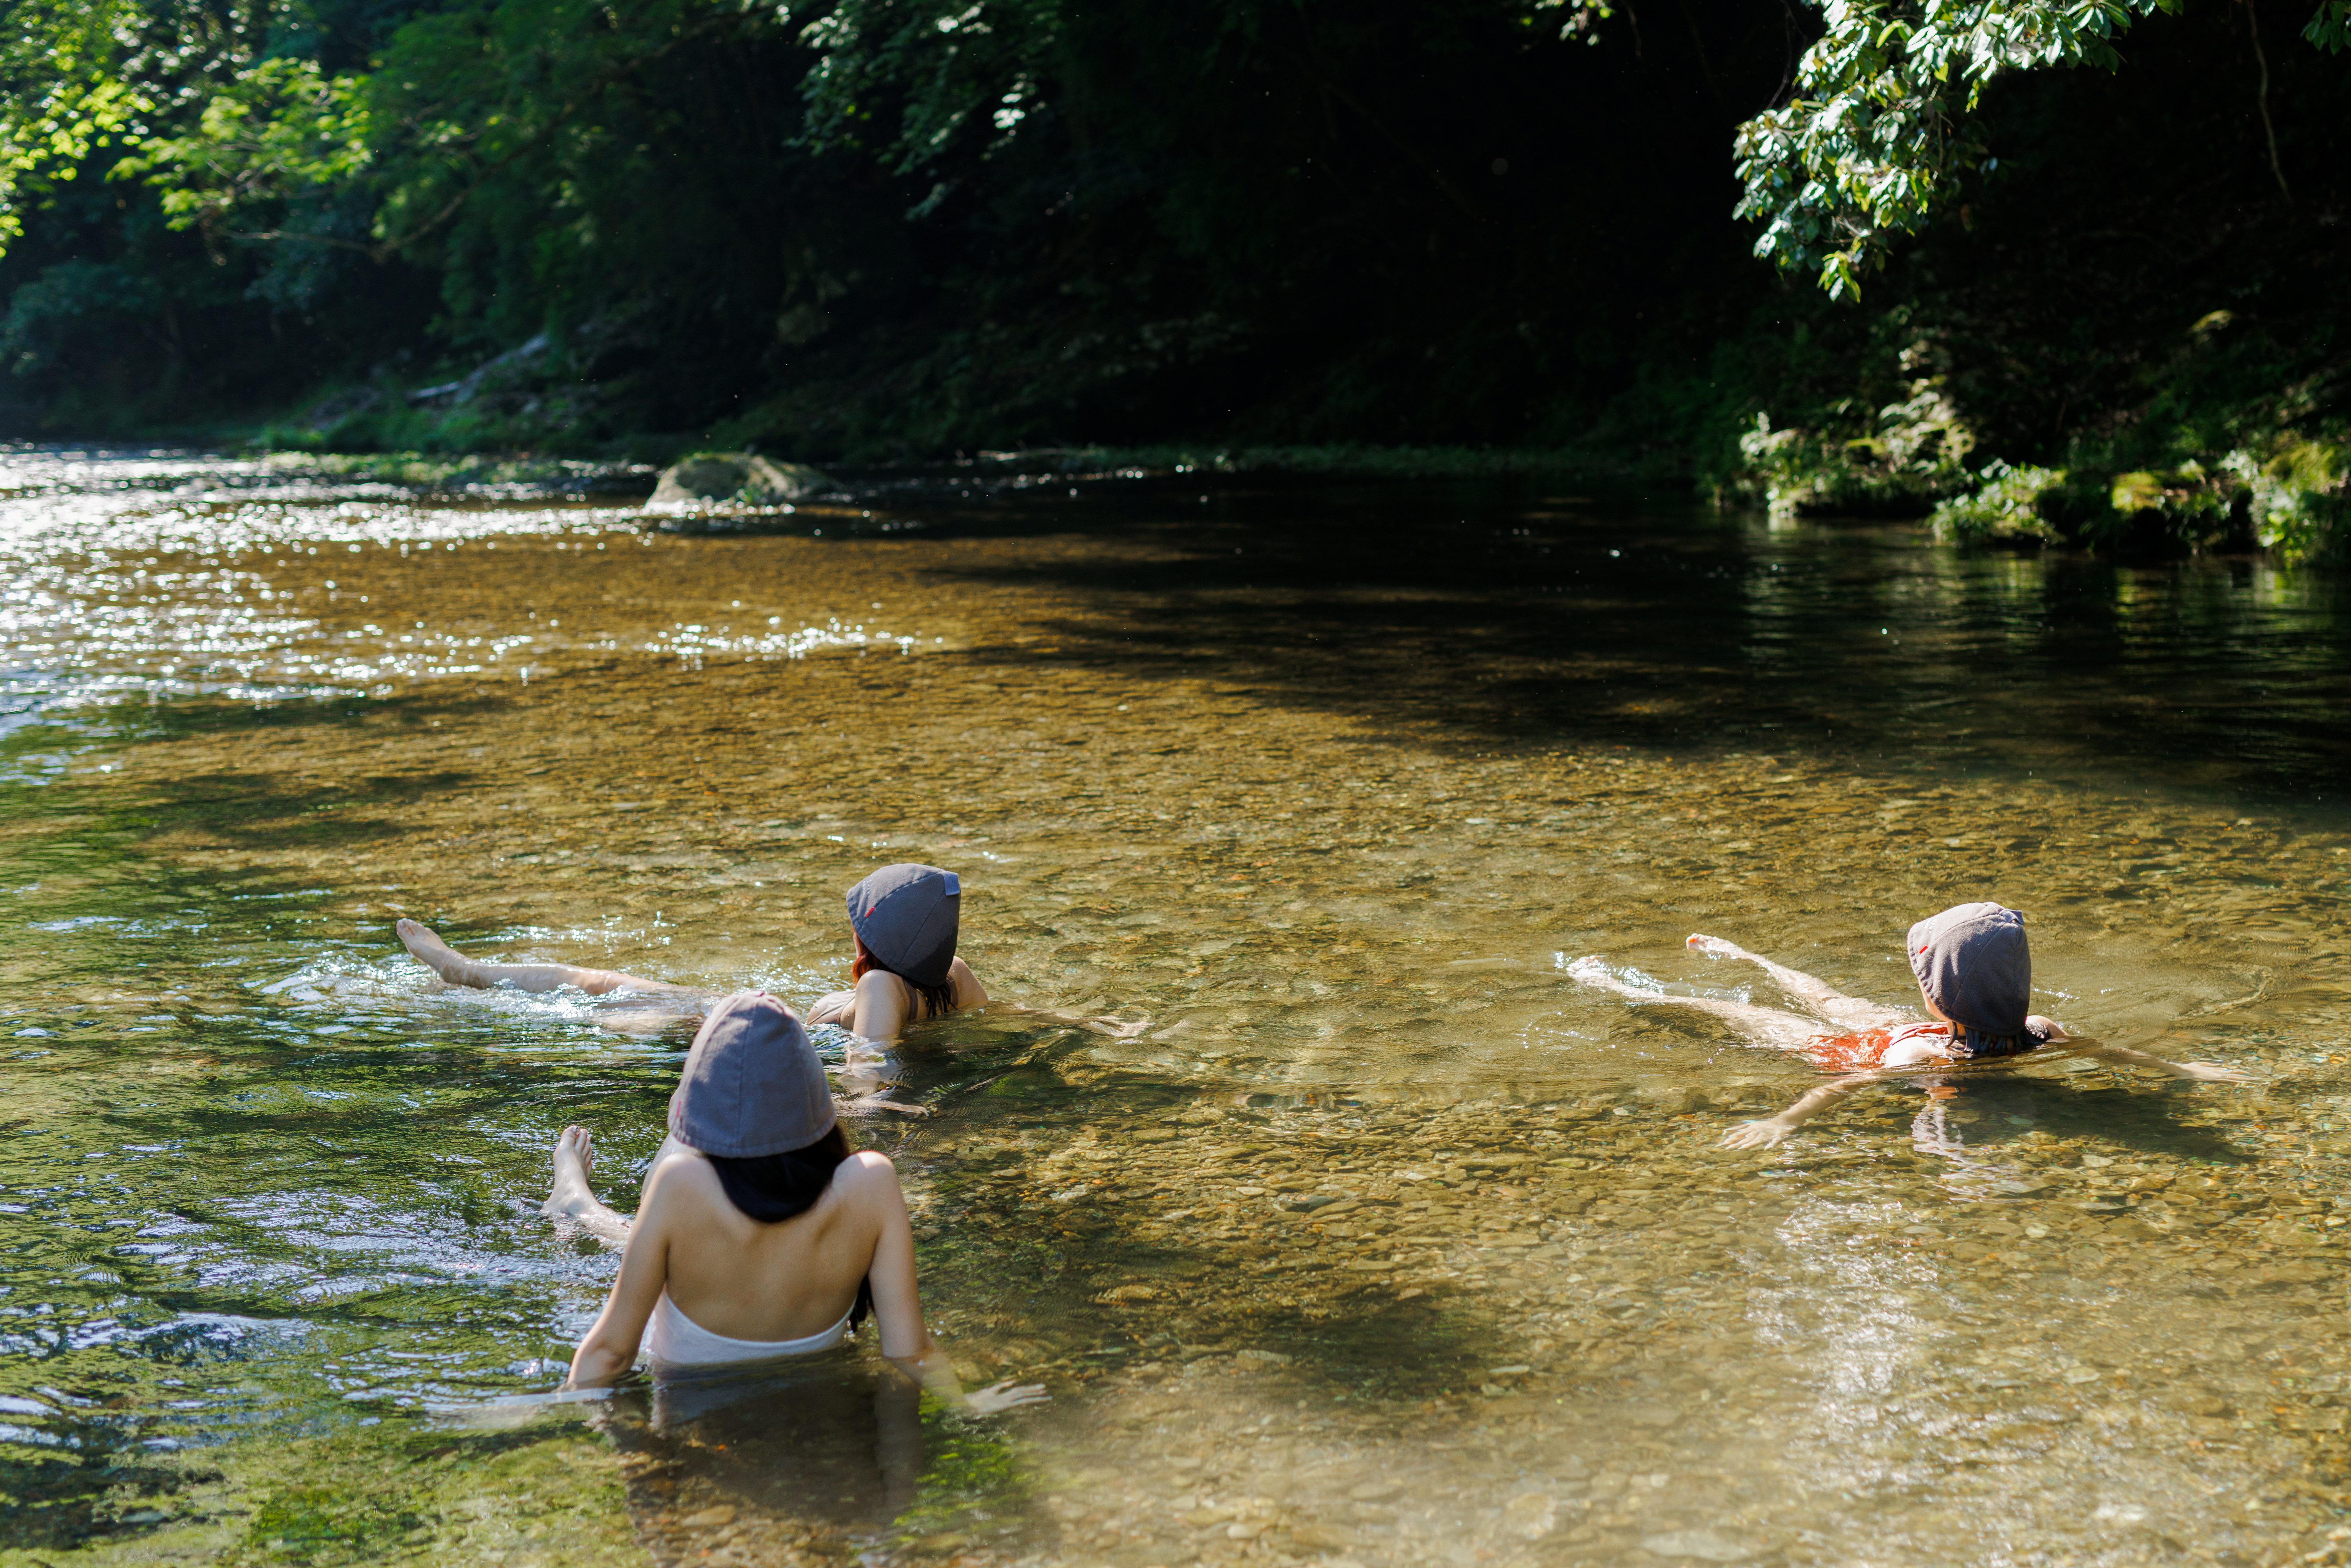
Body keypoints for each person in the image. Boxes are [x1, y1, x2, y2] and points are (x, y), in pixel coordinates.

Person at [546, 989, 1045, 1414]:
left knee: (634, 1220)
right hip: (811, 1392)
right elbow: (908, 1351)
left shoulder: (681, 1184)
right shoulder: (872, 1183)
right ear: (819, 1104)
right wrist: (966, 1406)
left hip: (689, 1398)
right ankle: (574, 1199)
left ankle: (573, 1197)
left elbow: (610, 1354)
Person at [1568, 902, 2253, 1149]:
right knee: (1799, 1001)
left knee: (1758, 1011)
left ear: (1939, 999)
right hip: (1899, 1033)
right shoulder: (2044, 1029)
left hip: (1858, 1046)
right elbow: (2116, 1053)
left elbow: (1842, 1084)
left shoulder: (1920, 1063)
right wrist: (2184, 1069)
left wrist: (1787, 1121)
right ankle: (1744, 956)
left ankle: (1622, 983)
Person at [395, 861, 1137, 1052]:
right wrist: (1094, 1022)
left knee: (595, 989)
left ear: (870, 946)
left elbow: (867, 1066)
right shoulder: (952, 978)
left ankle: (466, 971)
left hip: (751, 1026)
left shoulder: (881, 989)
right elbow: (1013, 1016)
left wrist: (872, 1117)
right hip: (764, 1024)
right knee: (609, 998)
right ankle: (471, 974)